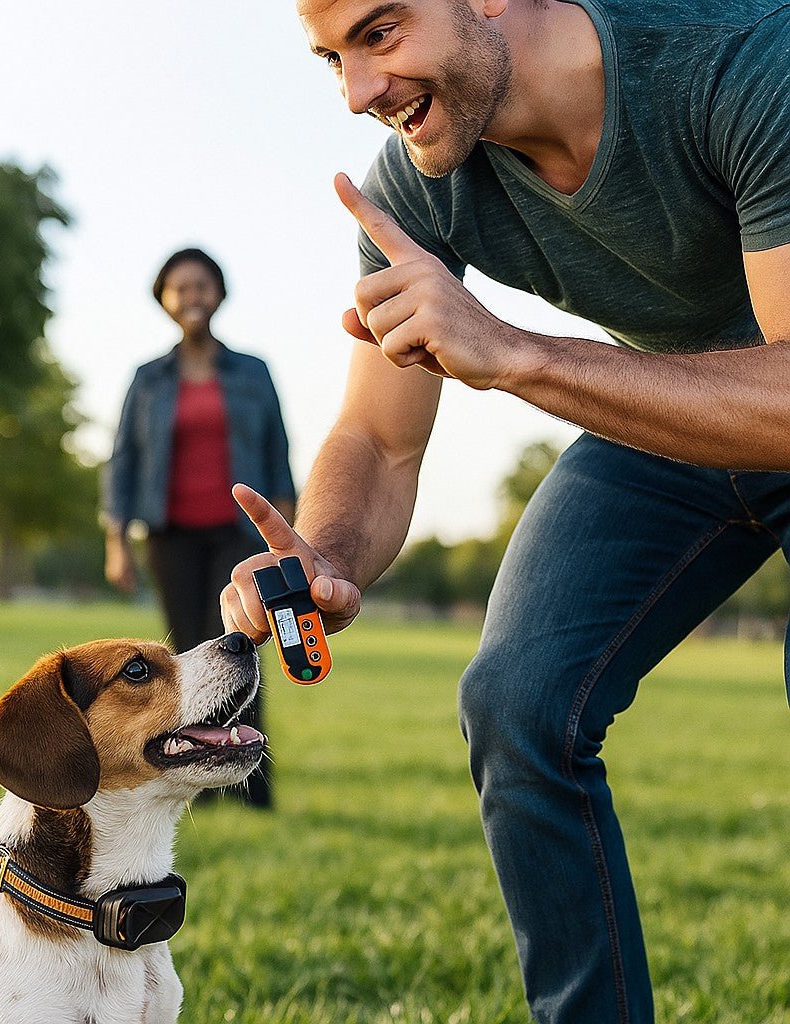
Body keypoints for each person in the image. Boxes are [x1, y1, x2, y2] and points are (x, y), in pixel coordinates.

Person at [220, 0, 790, 1018]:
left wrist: (519, 354)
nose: (357, 94)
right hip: (668, 412)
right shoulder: (420, 184)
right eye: (331, 59)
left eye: (380, 32)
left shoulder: (743, 63)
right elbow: (380, 438)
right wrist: (328, 550)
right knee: (517, 700)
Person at [104, 247, 296, 808]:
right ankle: (201, 781)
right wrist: (117, 541)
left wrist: (288, 541)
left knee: (240, 646)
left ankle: (253, 787)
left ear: (219, 294)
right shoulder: (148, 379)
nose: (192, 296)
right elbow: (122, 461)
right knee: (186, 657)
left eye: (202, 285)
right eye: (180, 287)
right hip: (170, 536)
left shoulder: (252, 372)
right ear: (164, 299)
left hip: (240, 534)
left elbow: (277, 452)